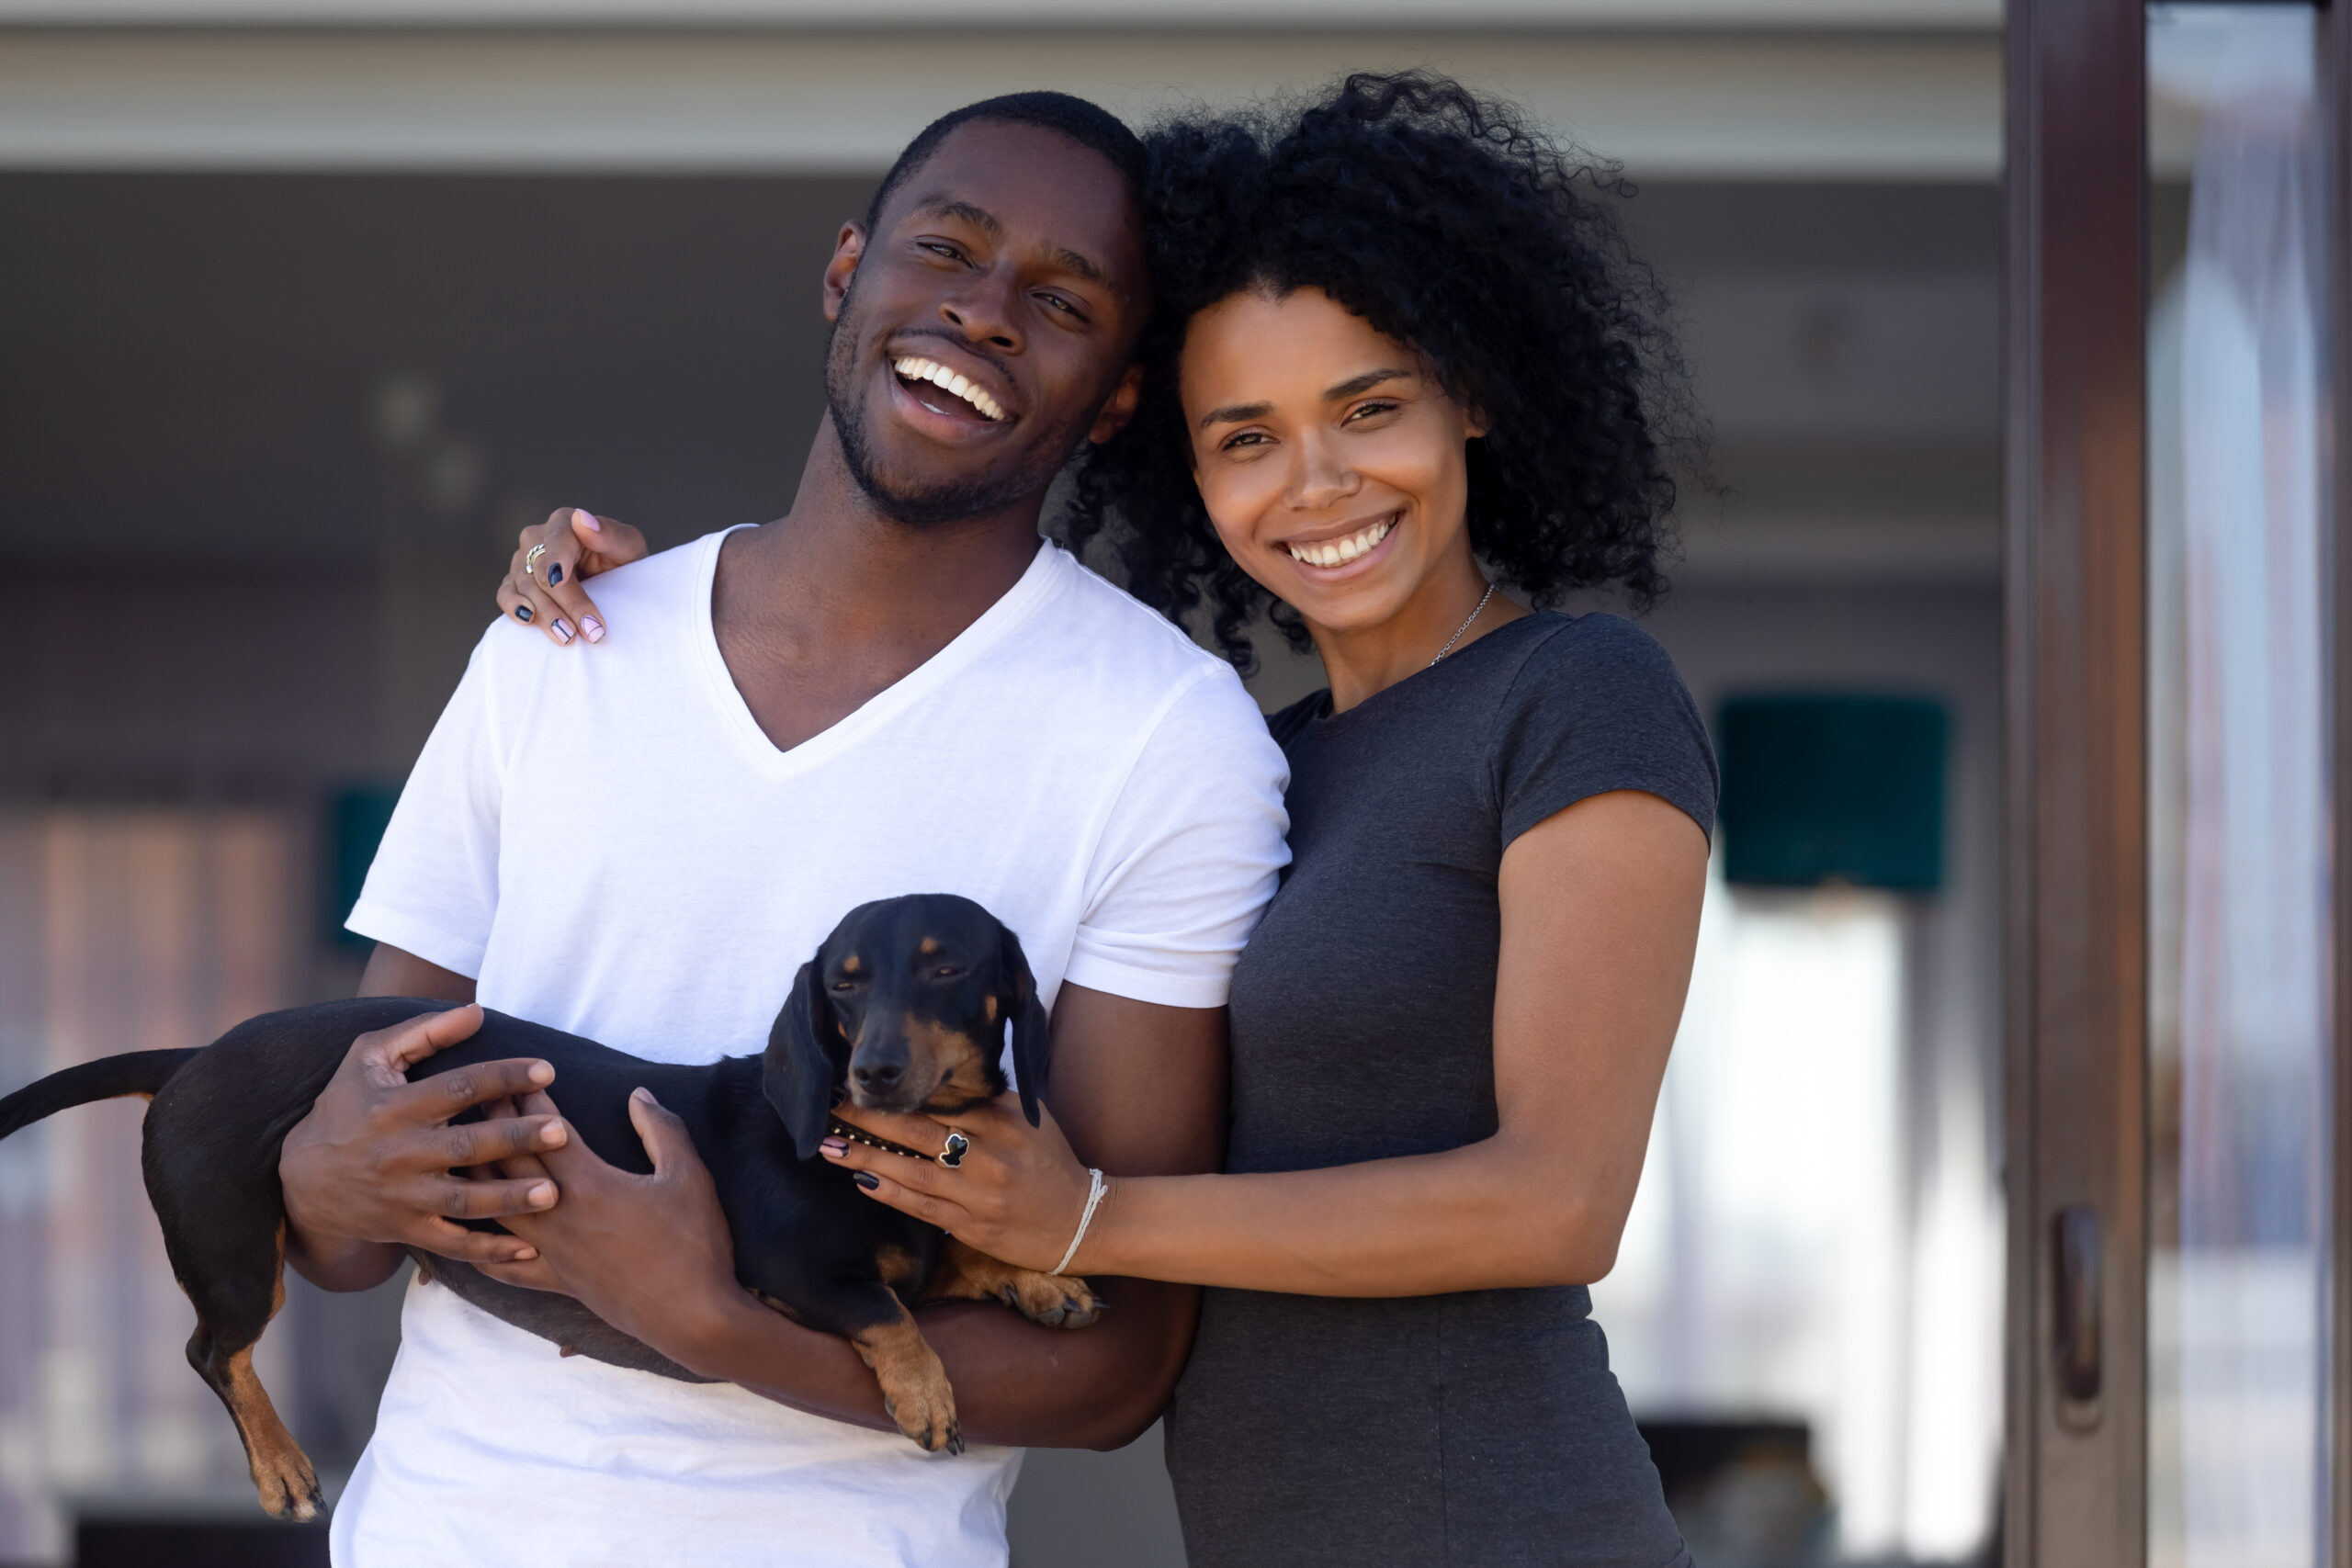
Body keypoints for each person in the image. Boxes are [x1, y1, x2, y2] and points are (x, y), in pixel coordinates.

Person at [513, 73, 1713, 1568]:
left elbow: (1556, 1205)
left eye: (1370, 409)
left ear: (1470, 394)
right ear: (1183, 467)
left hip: (1513, 1521)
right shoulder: (1259, 769)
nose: (1316, 483)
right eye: (1246, 436)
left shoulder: (1581, 694)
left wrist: (1087, 1221)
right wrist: (654, 605)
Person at [277, 93, 1290, 1568]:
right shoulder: (559, 646)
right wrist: (313, 1181)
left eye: (1060, 301)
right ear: (847, 273)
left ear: (1121, 392)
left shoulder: (1168, 740)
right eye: (948, 247)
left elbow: (1119, 1361)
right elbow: (354, 1220)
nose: (987, 313)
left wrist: (714, 1325)